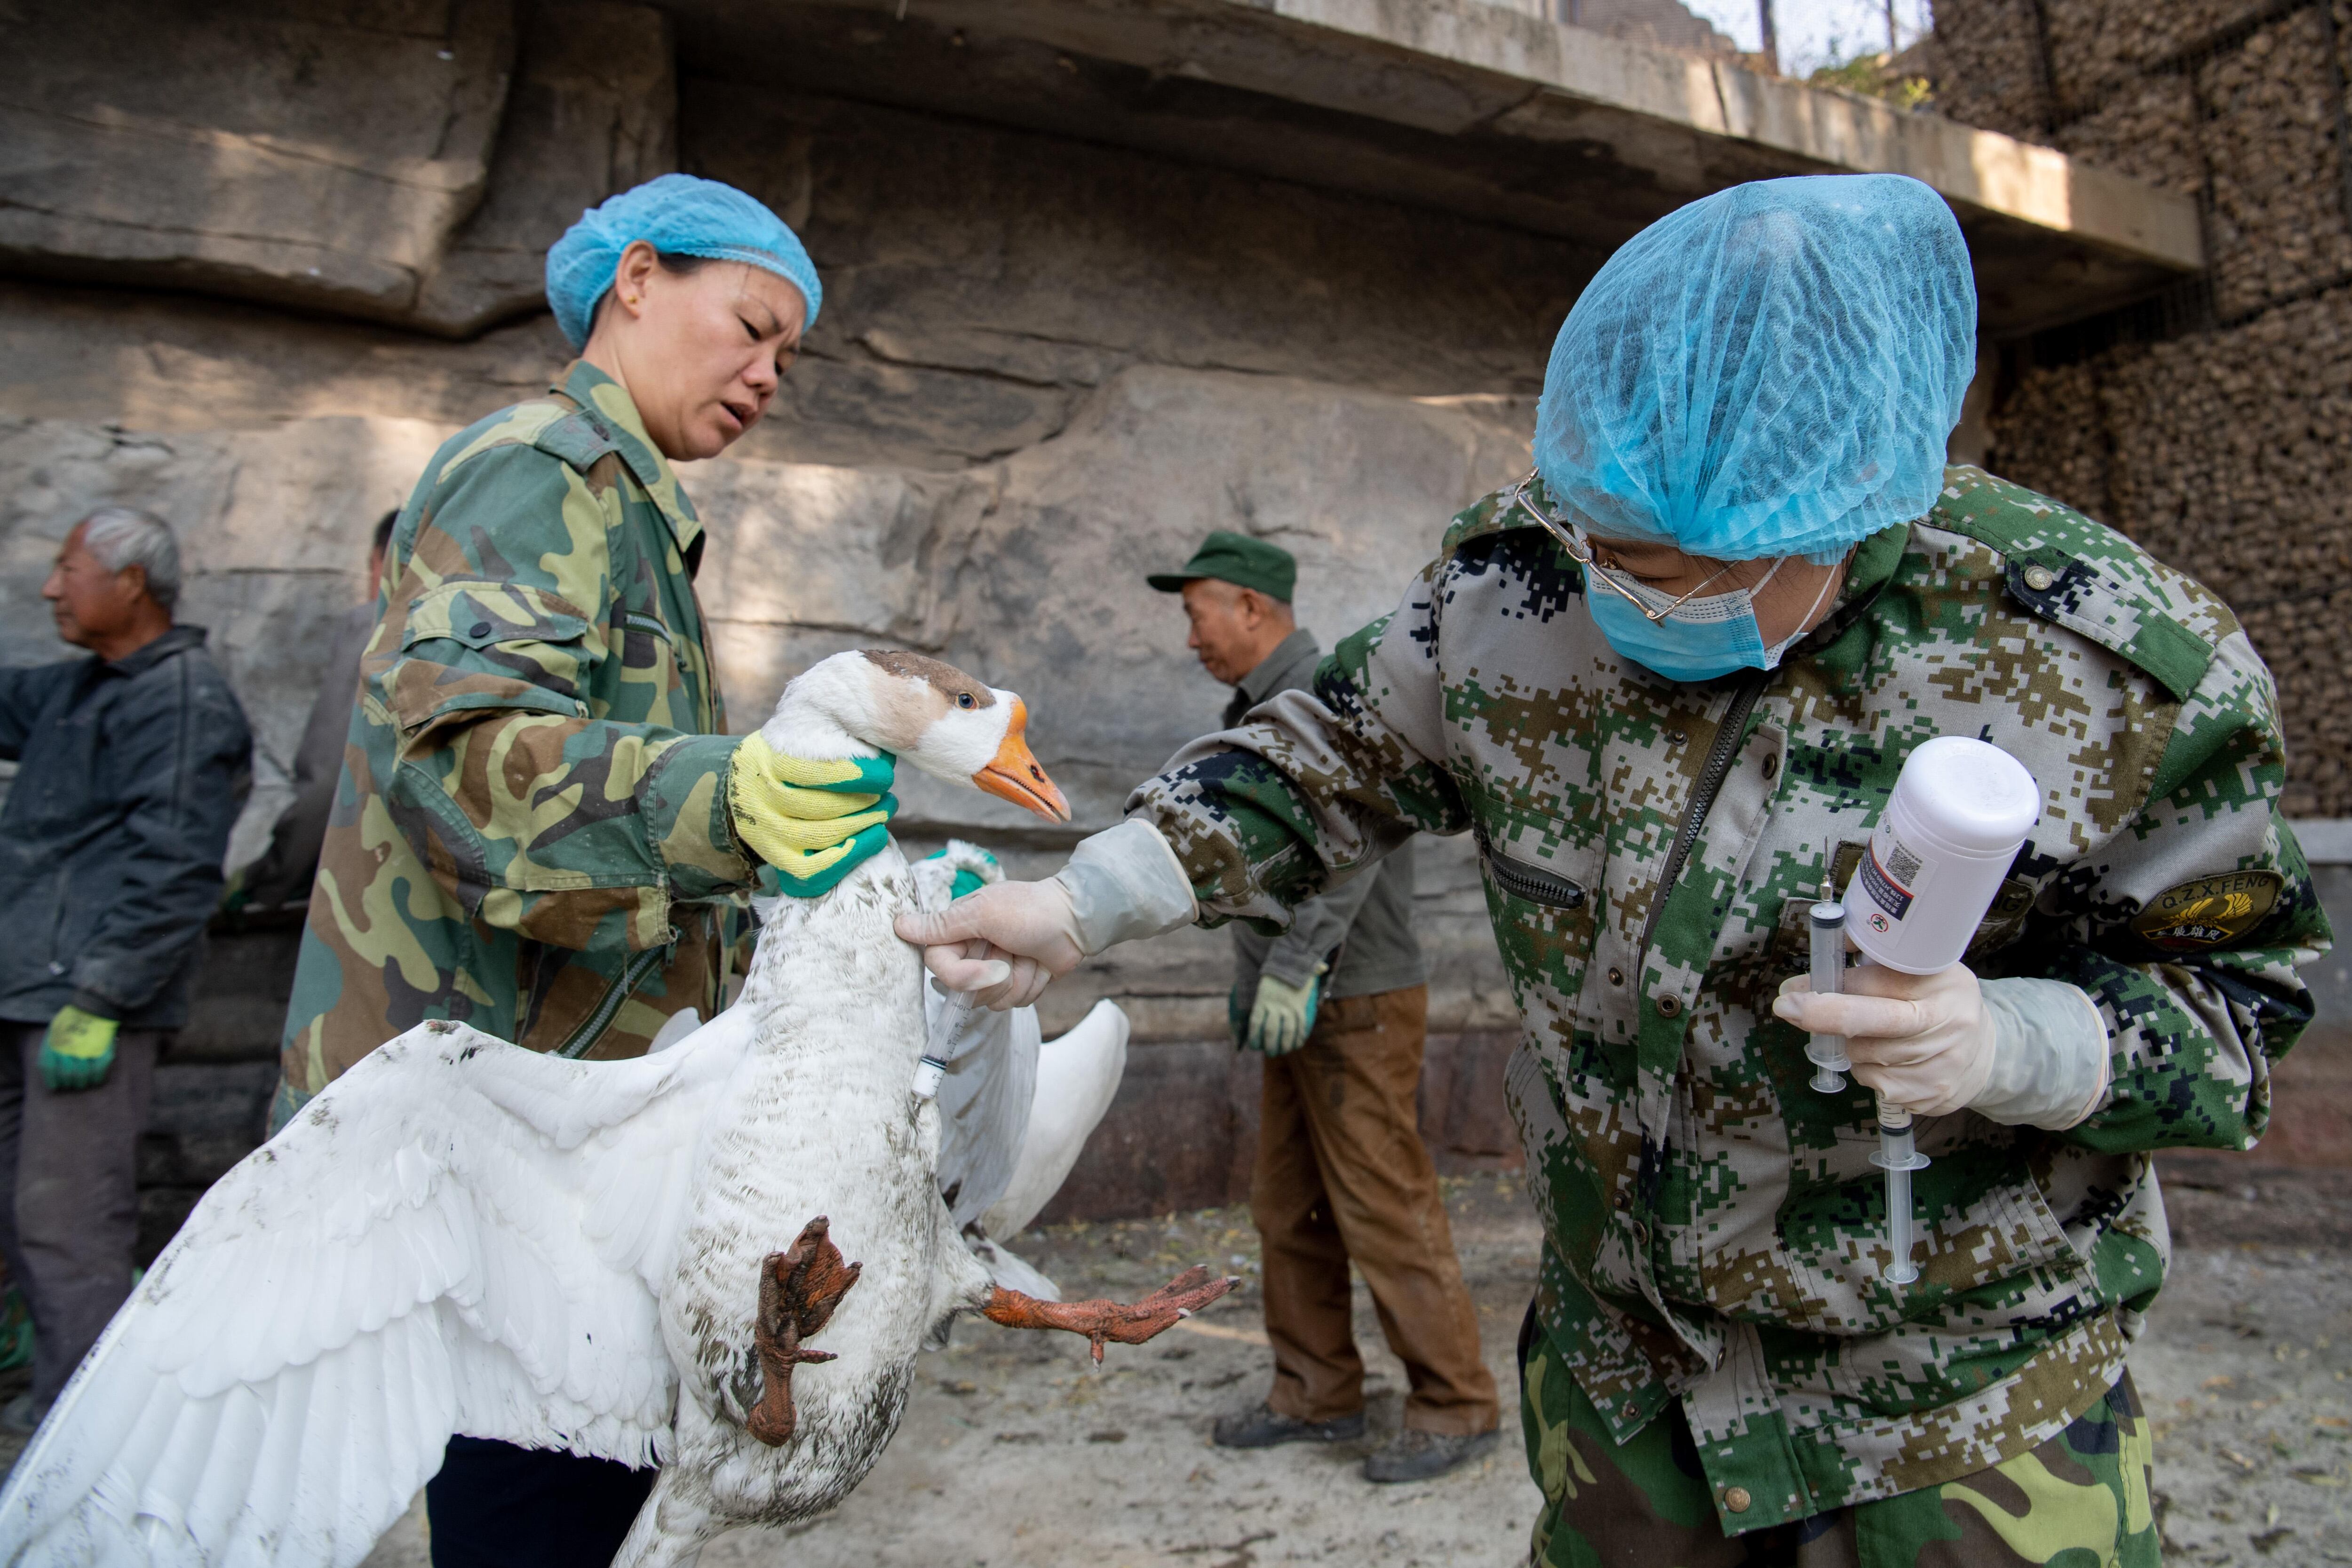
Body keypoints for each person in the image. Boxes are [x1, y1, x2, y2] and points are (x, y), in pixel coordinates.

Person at [898, 175, 2330, 1563]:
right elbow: (1323, 755)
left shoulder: (2102, 664)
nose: (1625, 593)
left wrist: (2008, 1041)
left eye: (1689, 569)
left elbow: (2235, 1014)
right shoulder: (1517, 583)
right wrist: (1086, 900)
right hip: (1633, 1387)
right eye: (1605, 546)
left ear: (1836, 508)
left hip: (1956, 1404)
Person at [272, 174, 899, 1568]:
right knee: (533, 1518)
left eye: (787, 354)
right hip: (502, 1141)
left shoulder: (631, 510)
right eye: (750, 324)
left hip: (565, 1129)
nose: (766, 373)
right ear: (635, 280)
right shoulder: (542, 465)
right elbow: (461, 760)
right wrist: (721, 793)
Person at [1144, 532, 1497, 1481]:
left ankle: (1455, 1401)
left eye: (1196, 612)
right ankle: (1316, 1391)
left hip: (1355, 996)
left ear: (1250, 608)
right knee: (1286, 1203)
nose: (1191, 635)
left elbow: (1350, 841)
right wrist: (1251, 978)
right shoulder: (1261, 705)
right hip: (1296, 996)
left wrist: (1297, 964)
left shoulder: (1325, 696)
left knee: (1382, 1200)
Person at [0, 507, 253, 1433]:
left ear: (131, 582)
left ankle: (89, 1443)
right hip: (24, 989)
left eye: (68, 568)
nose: (49, 588)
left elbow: (179, 862)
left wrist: (102, 996)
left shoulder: (183, 701)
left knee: (67, 1227)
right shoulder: (78, 690)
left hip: (82, 1005)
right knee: (22, 1221)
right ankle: (51, 1411)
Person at [229, 508, 396, 913]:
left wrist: (266, 883)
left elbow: (329, 789)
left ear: (383, 563)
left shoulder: (377, 631)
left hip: (372, 900)